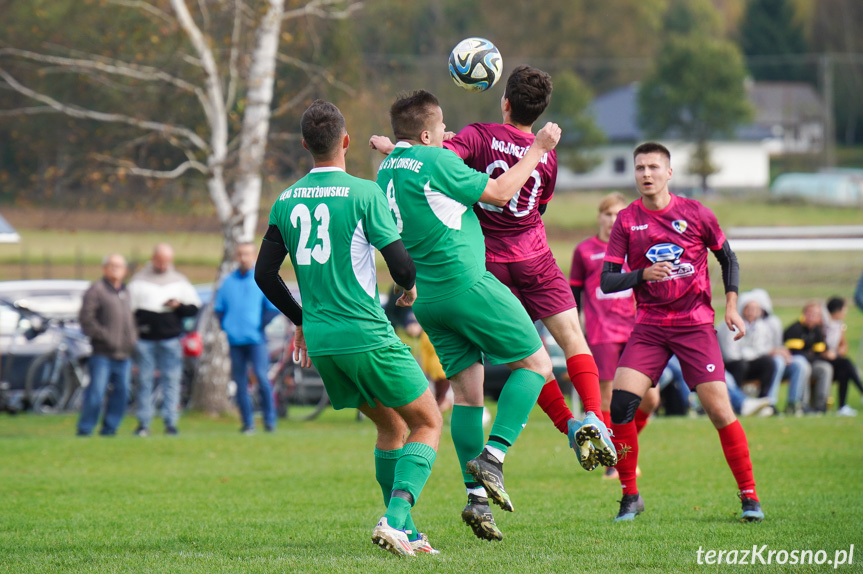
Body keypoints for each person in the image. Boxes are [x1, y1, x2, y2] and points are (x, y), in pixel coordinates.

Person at [371, 66, 614, 476]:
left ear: (504, 102)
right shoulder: (547, 156)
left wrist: (398, 148)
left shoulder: (478, 135)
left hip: (486, 264)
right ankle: (594, 419)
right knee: (572, 339)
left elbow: (429, 164)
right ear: (540, 112)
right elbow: (538, 207)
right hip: (534, 255)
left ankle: (566, 428)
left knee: (521, 362)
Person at [374, 89, 578, 543]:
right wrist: (538, 149)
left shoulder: (390, 166)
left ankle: (476, 498)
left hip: (427, 297)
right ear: (426, 133)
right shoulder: (436, 160)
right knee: (538, 364)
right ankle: (495, 456)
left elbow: (415, 174)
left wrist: (389, 146)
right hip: (466, 284)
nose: (448, 132)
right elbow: (502, 193)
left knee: (469, 397)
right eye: (443, 126)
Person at [255, 100, 442, 557]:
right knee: (429, 421)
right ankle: (394, 519)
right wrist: (409, 287)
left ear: (304, 146)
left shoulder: (285, 200)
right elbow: (400, 265)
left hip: (323, 341)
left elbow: (264, 275)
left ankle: (409, 533)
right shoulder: (364, 193)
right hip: (366, 334)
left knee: (392, 427)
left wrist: (301, 320)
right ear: (346, 141)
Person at [601, 142, 764, 522]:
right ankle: (630, 496)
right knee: (621, 406)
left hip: (694, 326)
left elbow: (728, 258)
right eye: (640, 167)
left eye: (654, 167)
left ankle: (750, 497)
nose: (646, 174)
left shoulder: (695, 213)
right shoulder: (627, 220)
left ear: (669, 173)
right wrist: (642, 274)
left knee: (720, 410)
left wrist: (731, 305)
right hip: (650, 327)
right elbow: (609, 280)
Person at [570, 192, 660, 479]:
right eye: (608, 214)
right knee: (608, 399)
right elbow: (573, 296)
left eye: (619, 215)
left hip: (636, 331)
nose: (613, 220)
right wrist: (575, 333)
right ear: (599, 217)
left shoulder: (635, 249)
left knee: (651, 399)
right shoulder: (584, 250)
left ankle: (620, 446)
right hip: (601, 333)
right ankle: (613, 463)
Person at [128, 243, 201, 436]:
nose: (163, 266)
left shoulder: (179, 281)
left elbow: (193, 309)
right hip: (145, 341)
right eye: (160, 262)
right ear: (153, 259)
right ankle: (144, 423)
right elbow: (129, 312)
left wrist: (178, 306)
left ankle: (171, 423)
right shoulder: (138, 281)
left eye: (166, 262)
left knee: (171, 381)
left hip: (171, 340)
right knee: (144, 381)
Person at [214, 242, 280, 434]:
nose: (244, 258)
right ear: (236, 256)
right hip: (235, 341)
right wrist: (226, 327)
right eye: (241, 254)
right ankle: (247, 423)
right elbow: (218, 309)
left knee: (262, 377)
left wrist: (259, 325)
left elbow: (272, 308)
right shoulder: (227, 282)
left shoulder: (261, 279)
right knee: (239, 383)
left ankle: (269, 420)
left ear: (254, 257)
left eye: (247, 254)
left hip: (256, 340)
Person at [76, 254, 137, 436]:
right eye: (111, 266)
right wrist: (104, 336)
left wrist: (132, 339)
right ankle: (86, 429)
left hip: (124, 354)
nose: (115, 269)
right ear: (104, 268)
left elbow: (130, 320)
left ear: (125, 271)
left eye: (119, 266)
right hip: (102, 353)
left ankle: (110, 429)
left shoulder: (126, 292)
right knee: (96, 393)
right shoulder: (96, 290)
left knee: (122, 393)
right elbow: (86, 319)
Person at [717, 288, 787, 416]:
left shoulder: (761, 326)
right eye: (749, 308)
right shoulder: (731, 324)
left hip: (747, 361)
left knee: (768, 362)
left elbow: (761, 349)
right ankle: (734, 403)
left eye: (755, 309)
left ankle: (764, 401)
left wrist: (750, 354)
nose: (752, 312)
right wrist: (749, 354)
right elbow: (730, 353)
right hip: (731, 363)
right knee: (740, 365)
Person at [783, 300, 833, 414]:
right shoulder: (795, 329)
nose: (812, 317)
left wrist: (814, 354)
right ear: (804, 313)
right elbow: (796, 353)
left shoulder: (816, 330)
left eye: (816, 315)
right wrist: (813, 354)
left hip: (810, 362)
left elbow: (821, 352)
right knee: (805, 367)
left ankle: (821, 405)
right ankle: (803, 404)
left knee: (825, 368)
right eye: (810, 313)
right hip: (794, 364)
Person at [823, 297, 862, 416]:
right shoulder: (824, 324)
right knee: (846, 363)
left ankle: (842, 406)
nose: (846, 312)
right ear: (837, 311)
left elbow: (844, 345)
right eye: (844, 310)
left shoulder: (839, 325)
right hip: (823, 358)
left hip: (836, 358)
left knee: (844, 369)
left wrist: (838, 352)